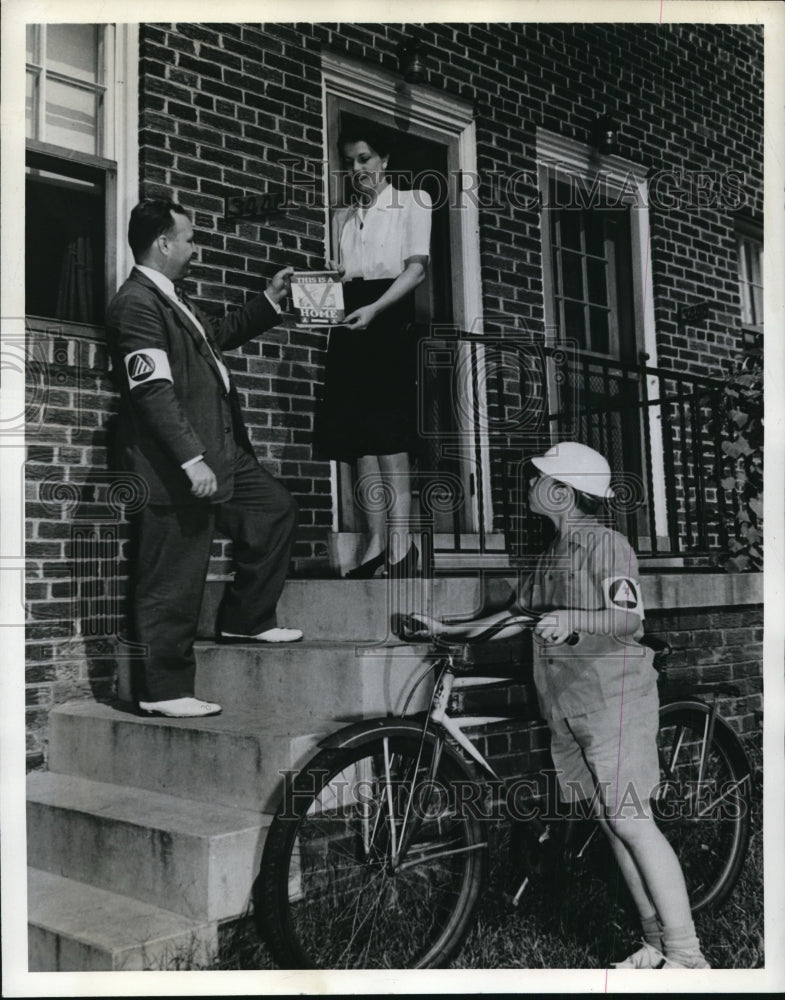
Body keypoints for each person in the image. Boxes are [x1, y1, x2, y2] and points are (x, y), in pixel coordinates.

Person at [409, 442, 709, 969]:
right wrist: (447, 629)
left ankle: (688, 957)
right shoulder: (552, 554)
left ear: (563, 492)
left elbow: (628, 619)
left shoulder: (607, 545)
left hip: (612, 699)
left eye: (538, 478)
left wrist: (575, 618)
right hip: (568, 704)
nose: (528, 486)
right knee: (613, 823)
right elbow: (515, 616)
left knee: (633, 821)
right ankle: (656, 947)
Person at [106, 198, 302, 719]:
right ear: (163, 243)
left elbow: (215, 337)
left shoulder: (174, 298)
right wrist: (192, 458)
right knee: (172, 573)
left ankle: (247, 618)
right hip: (175, 463)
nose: (196, 249)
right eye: (189, 239)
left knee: (272, 509)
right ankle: (163, 690)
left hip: (221, 452)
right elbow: (151, 391)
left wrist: (269, 299)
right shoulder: (137, 304)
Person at [315, 122, 432, 578]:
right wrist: (332, 281)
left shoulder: (413, 202)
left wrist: (376, 310)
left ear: (384, 160)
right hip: (351, 321)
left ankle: (402, 547)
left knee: (390, 435)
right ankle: (375, 544)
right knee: (359, 440)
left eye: (364, 158)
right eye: (349, 162)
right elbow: (345, 278)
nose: (357, 169)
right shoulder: (342, 217)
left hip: (388, 321)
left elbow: (416, 271)